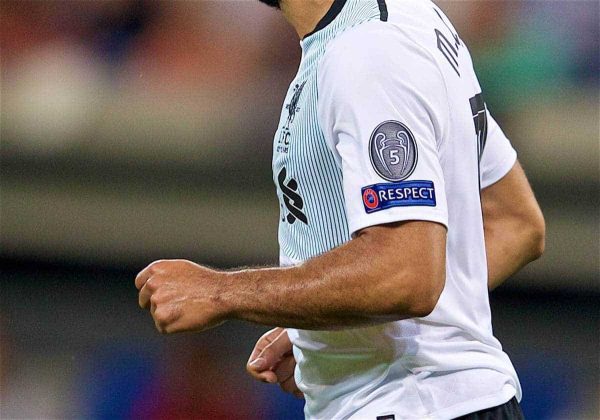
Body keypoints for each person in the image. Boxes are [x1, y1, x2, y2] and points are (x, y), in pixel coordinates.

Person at [135, 0, 545, 418]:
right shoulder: (410, 21)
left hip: (415, 404)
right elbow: (514, 222)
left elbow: (408, 274)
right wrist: (331, 327)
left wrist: (220, 292)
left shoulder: (368, 51)